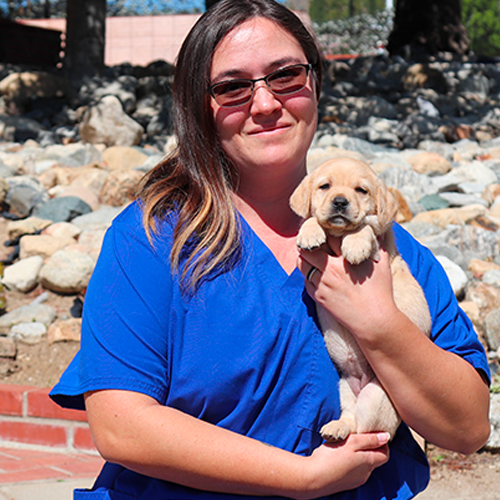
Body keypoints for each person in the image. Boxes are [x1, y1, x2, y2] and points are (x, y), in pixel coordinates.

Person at [50, 1, 491, 499]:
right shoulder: (152, 238)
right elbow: (120, 426)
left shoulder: (390, 249)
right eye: (233, 87)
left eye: (286, 76)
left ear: (316, 84)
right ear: (200, 105)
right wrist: (299, 479)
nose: (264, 104)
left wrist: (379, 324)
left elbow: (468, 429)